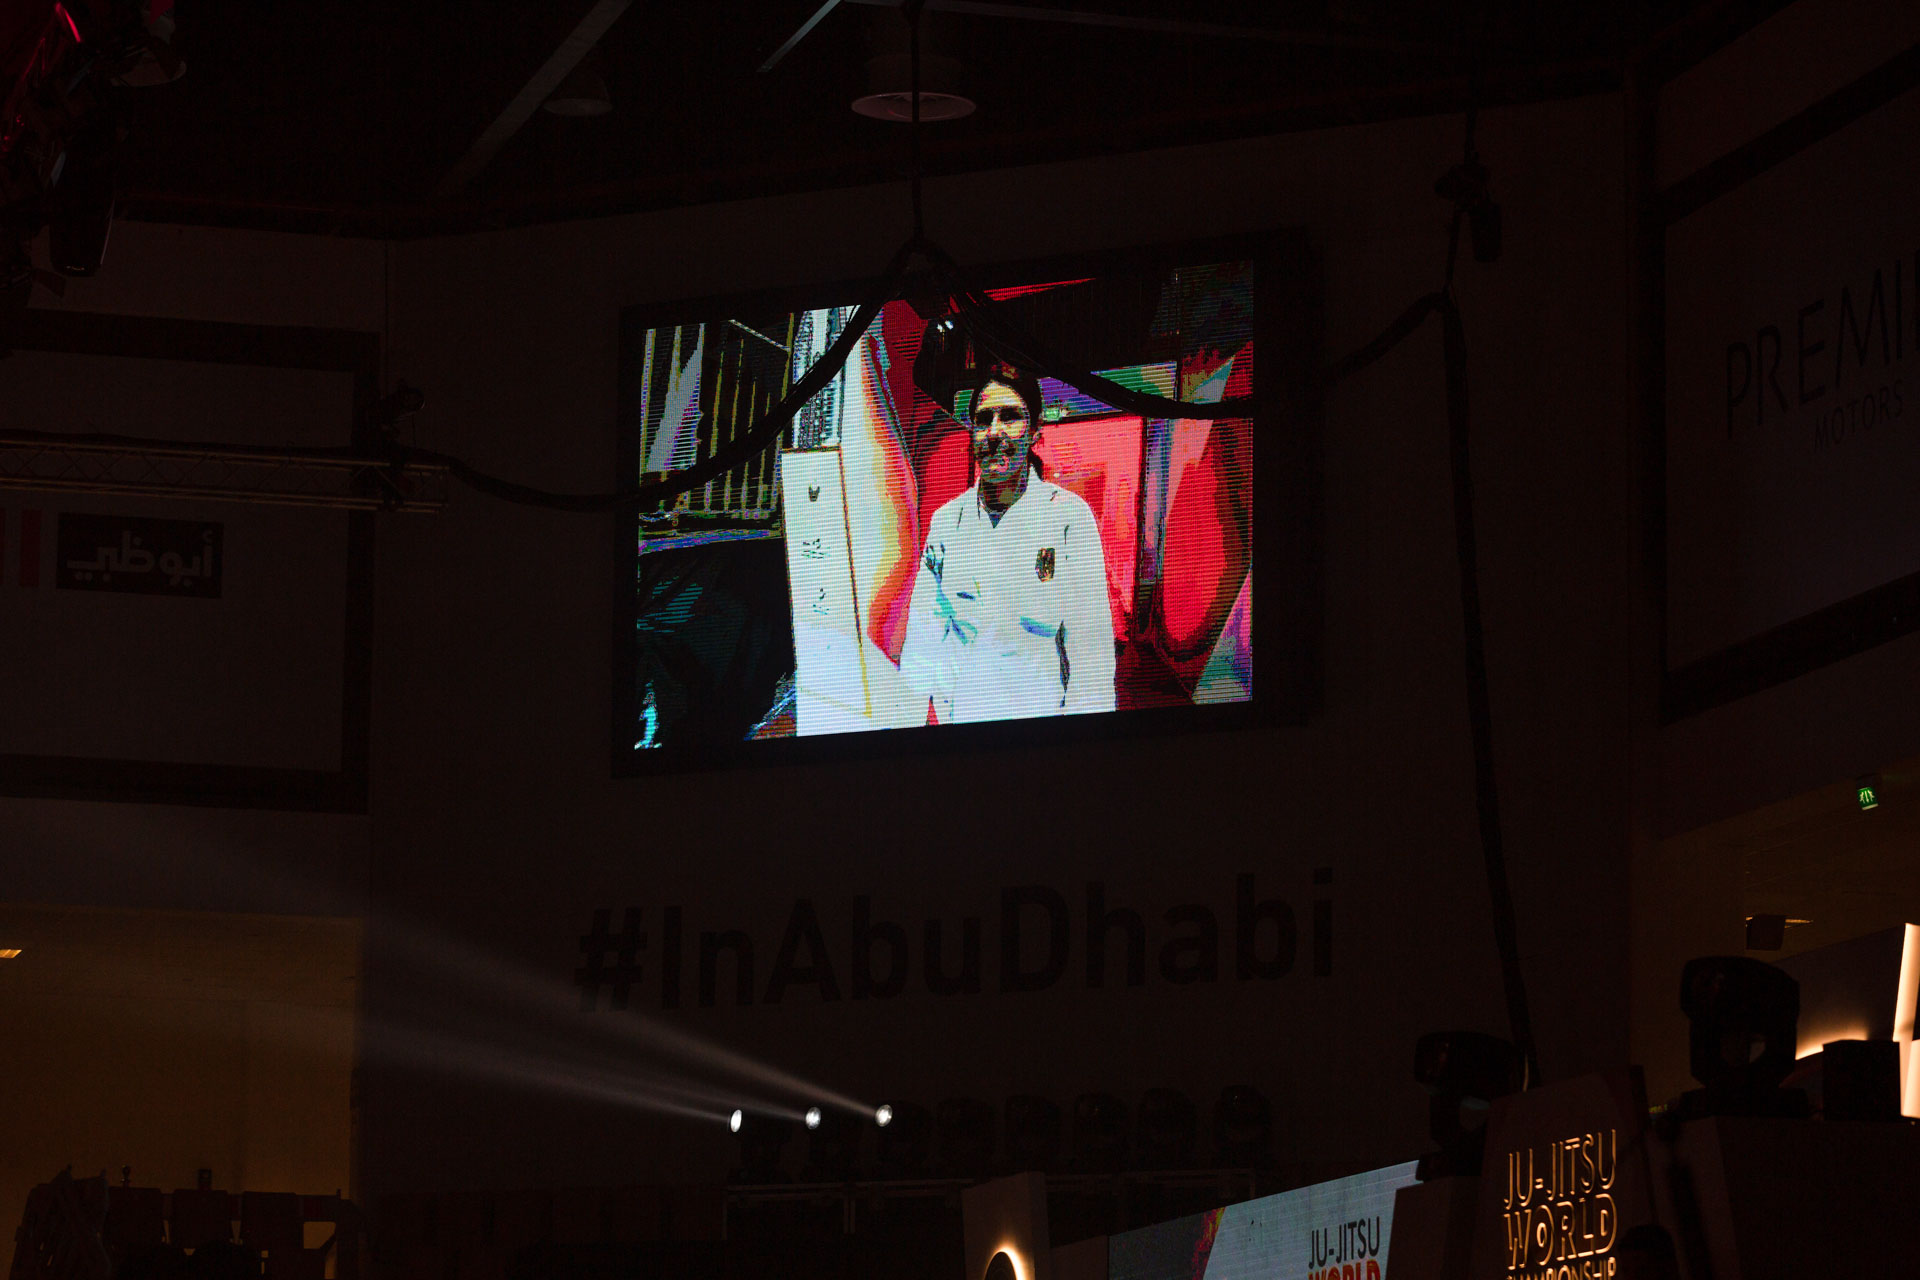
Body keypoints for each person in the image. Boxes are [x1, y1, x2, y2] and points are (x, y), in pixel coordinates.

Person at [898, 362, 1116, 723]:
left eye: (1011, 417)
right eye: (984, 420)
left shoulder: (1067, 518)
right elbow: (923, 639)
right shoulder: (947, 522)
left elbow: (1090, 649)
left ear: (1035, 430)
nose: (995, 432)